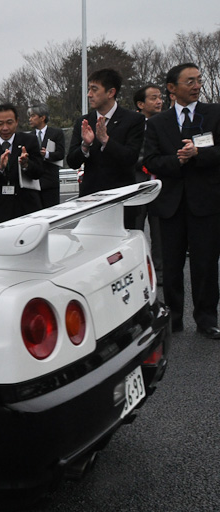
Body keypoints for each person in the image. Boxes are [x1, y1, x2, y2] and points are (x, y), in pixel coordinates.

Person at [144, 63, 220, 339]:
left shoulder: (214, 114)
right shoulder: (156, 123)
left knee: (206, 263)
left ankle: (207, 318)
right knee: (173, 266)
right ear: (172, 88)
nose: (197, 85)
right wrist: (177, 159)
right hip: (170, 205)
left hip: (206, 202)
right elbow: (150, 160)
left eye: (199, 80)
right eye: (190, 81)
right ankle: (173, 318)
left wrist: (199, 153)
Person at [66, 68, 144, 202]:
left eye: (94, 89)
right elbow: (72, 162)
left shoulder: (133, 120)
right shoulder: (84, 121)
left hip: (122, 198)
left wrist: (106, 141)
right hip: (90, 198)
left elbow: (131, 158)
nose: (89, 94)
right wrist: (85, 145)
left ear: (111, 92)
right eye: (89, 89)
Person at [0, 103, 44, 223]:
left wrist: (26, 164)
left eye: (9, 122)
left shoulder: (29, 141)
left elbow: (39, 171)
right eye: (0, 124)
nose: (5, 128)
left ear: (17, 122)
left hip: (27, 207)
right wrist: (0, 167)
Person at [134, 84, 165, 283]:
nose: (159, 101)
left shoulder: (167, 123)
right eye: (153, 98)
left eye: (160, 97)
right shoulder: (133, 125)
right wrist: (145, 165)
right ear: (140, 104)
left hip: (161, 183)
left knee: (160, 230)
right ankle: (136, 270)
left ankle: (160, 272)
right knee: (135, 230)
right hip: (137, 183)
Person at [27, 103, 66, 208]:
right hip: (34, 183)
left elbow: (61, 153)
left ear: (42, 117)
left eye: (33, 116)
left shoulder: (56, 133)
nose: (30, 119)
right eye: (29, 116)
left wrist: (47, 154)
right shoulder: (29, 137)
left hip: (50, 182)